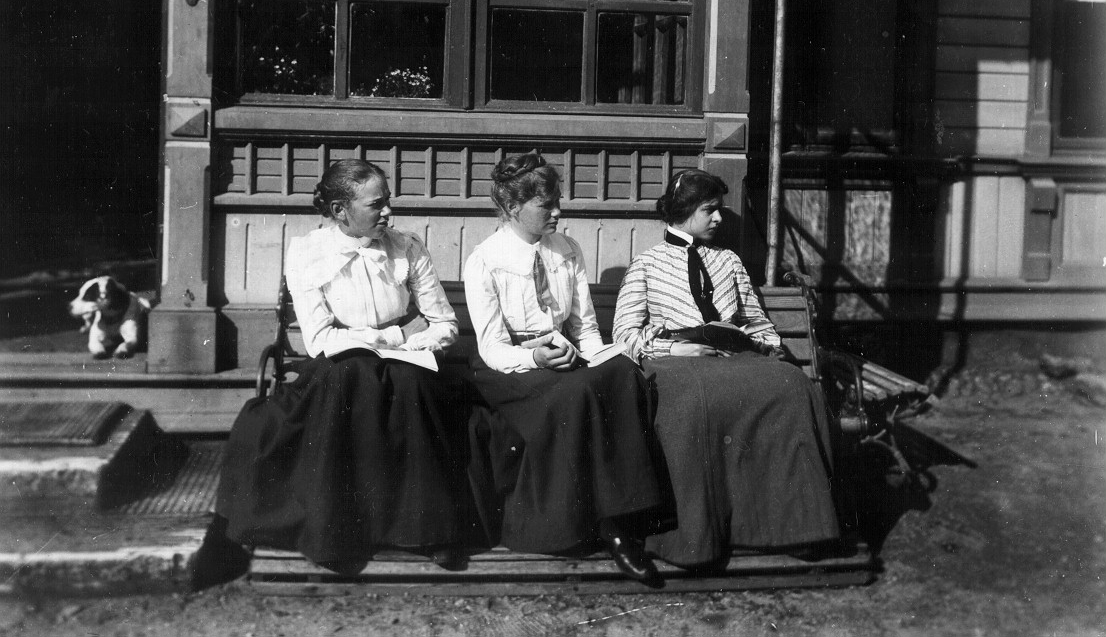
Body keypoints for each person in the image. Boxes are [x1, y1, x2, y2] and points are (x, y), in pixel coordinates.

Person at [192, 159, 475, 588]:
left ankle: (424, 531)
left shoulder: (407, 248)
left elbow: (444, 324)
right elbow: (321, 340)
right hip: (340, 367)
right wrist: (398, 333)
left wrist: (406, 344)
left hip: (406, 365)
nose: (388, 212)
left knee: (409, 385)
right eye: (376, 204)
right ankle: (339, 534)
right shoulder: (308, 252)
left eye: (388, 201)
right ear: (341, 210)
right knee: (349, 379)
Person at [612, 169, 840, 570]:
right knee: (693, 402)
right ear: (683, 210)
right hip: (676, 361)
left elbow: (755, 319)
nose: (719, 218)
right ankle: (698, 538)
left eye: (718, 210)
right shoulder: (646, 264)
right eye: (710, 210)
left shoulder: (728, 261)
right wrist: (675, 347)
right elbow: (625, 334)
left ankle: (798, 528)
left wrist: (767, 346)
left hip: (732, 355)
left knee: (791, 384)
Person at [462, 153, 666, 586]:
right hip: (508, 367)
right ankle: (606, 529)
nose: (558, 212)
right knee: (576, 393)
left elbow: (585, 328)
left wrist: (604, 358)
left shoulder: (567, 251)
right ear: (512, 207)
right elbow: (493, 347)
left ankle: (629, 515)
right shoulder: (486, 260)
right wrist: (535, 358)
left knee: (622, 375)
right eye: (546, 205)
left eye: (558, 201)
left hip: (561, 354)